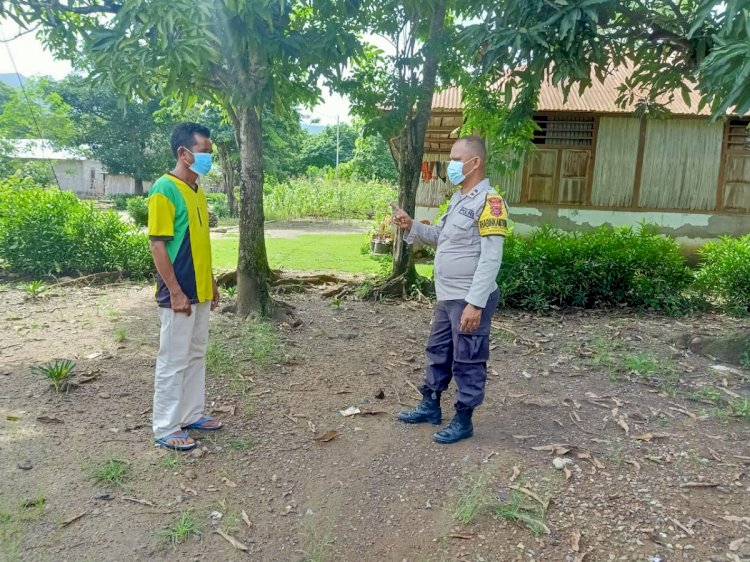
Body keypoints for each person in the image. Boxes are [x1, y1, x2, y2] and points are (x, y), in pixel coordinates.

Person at [393, 136, 508, 444]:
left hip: (468, 297)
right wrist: (412, 226)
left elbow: (491, 257)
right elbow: (443, 235)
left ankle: (464, 419)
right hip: (447, 296)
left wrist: (475, 303)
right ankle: (430, 405)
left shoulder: (490, 202)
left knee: (468, 359)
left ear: (475, 163)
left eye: (456, 158)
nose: (451, 164)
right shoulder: (459, 199)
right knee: (438, 351)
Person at [148, 122, 222, 451]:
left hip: (201, 289)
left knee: (196, 355)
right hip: (178, 293)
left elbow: (199, 244)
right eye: (204, 152)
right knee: (172, 359)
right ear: (184, 153)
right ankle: (166, 427)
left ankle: (192, 413)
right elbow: (158, 246)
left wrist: (212, 283)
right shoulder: (164, 189)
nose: (208, 157)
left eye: (209, 152)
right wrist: (176, 292)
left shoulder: (196, 190)